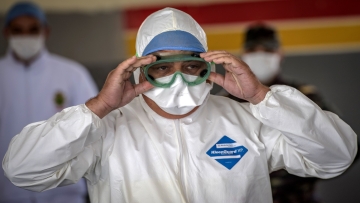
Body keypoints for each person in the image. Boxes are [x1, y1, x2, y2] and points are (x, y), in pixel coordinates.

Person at [2, 7, 357, 203]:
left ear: (208, 66)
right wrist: (96, 109)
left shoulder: (248, 121)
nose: (178, 80)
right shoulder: (107, 130)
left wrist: (261, 96)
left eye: (191, 66)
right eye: (162, 68)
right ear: (141, 70)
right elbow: (22, 170)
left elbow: (337, 157)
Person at [221, 23, 333, 202]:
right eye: (253, 50)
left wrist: (297, 175)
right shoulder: (225, 101)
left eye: (267, 50)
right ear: (243, 55)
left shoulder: (304, 96)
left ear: (280, 55)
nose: (260, 55)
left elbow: (334, 145)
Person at [0, 2, 98, 203]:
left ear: (46, 31)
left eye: (33, 29)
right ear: (6, 32)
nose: (25, 36)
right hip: (8, 194)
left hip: (64, 194)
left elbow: (96, 127)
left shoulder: (72, 74)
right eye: (18, 30)